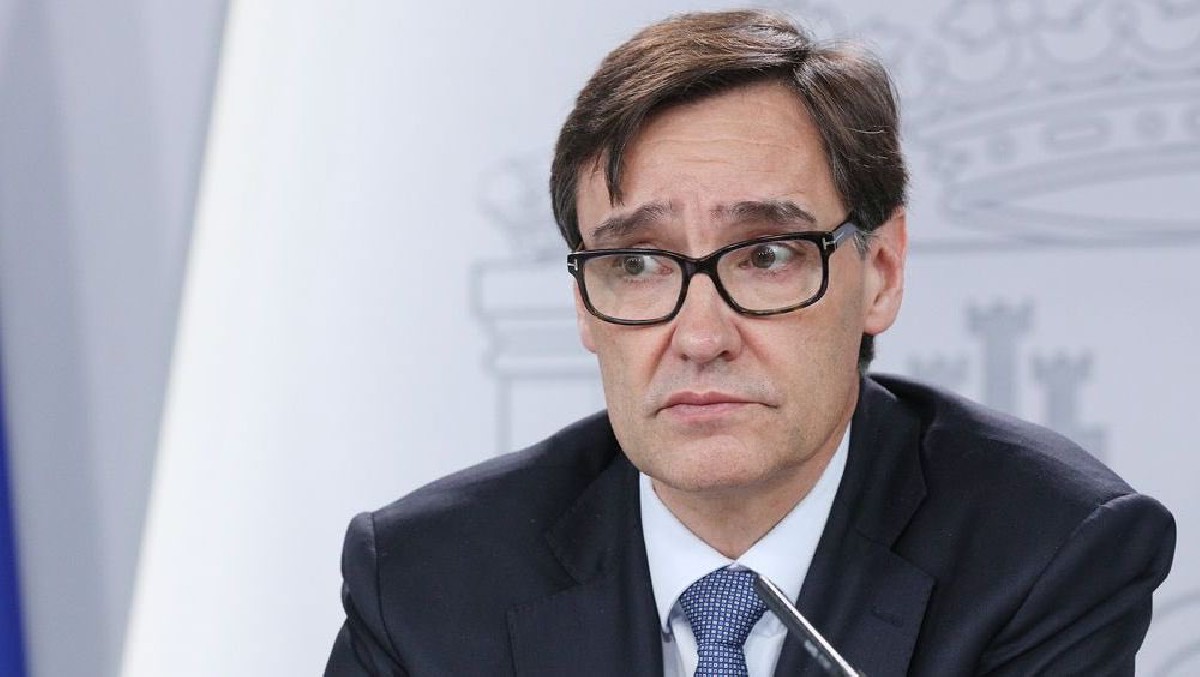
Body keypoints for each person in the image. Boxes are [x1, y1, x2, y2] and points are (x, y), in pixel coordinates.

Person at [324, 10, 1175, 676]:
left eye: (767, 256)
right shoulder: (423, 581)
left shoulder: (1045, 551)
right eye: (637, 264)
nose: (700, 335)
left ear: (880, 271)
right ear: (583, 303)